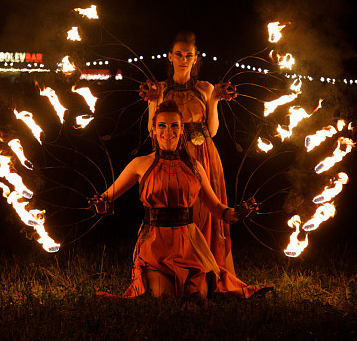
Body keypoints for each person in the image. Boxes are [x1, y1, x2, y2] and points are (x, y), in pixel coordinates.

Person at [90, 100, 269, 298]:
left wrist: (238, 213)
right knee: (164, 296)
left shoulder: (195, 167)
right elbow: (107, 197)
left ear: (182, 129)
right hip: (155, 244)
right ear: (154, 130)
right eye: (162, 125)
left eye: (174, 125)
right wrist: (100, 205)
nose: (168, 131)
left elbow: (218, 209)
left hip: (189, 244)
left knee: (199, 297)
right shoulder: (140, 164)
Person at [138, 31, 238, 277]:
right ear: (170, 57)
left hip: (203, 153)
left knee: (206, 212)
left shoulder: (205, 88)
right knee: (178, 212)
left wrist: (215, 99)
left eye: (189, 55)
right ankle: (173, 270)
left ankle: (209, 271)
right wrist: (154, 100)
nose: (184, 59)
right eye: (179, 54)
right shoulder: (158, 89)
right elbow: (154, 131)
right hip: (172, 156)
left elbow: (212, 130)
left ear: (195, 59)